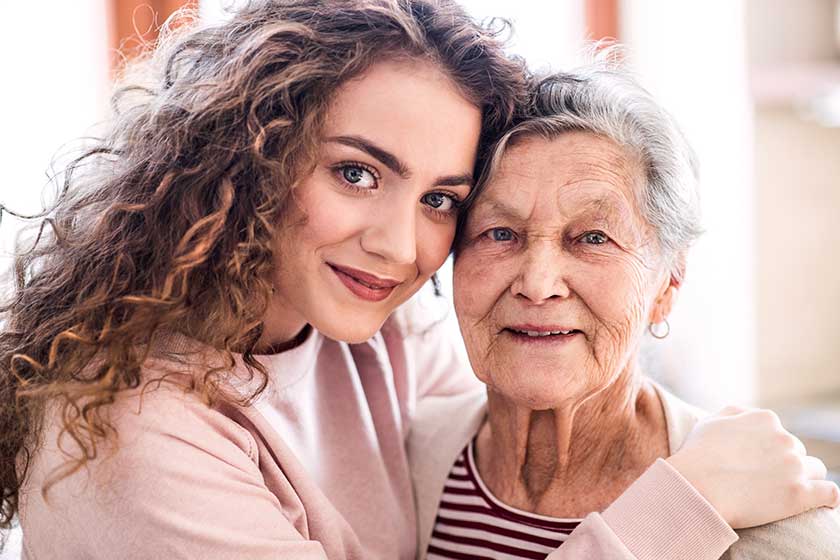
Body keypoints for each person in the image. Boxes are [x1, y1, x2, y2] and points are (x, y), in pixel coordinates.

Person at [0, 2, 835, 559]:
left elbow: (532, 384)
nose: (402, 248)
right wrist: (681, 504)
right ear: (249, 156)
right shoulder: (130, 432)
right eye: (357, 174)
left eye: (441, 199)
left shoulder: (366, 332)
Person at [412, 63, 840, 559]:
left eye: (594, 238)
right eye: (500, 233)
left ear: (667, 284)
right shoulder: (410, 458)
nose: (538, 284)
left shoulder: (769, 519)